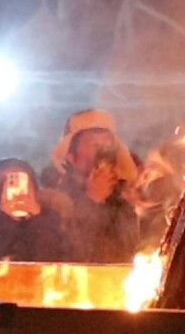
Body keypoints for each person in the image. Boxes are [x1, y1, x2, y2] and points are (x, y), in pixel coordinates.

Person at [41, 109, 140, 264]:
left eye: (108, 144)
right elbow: (65, 255)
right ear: (71, 157)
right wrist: (92, 200)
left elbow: (130, 253)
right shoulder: (53, 201)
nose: (104, 151)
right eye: (94, 145)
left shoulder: (123, 200)